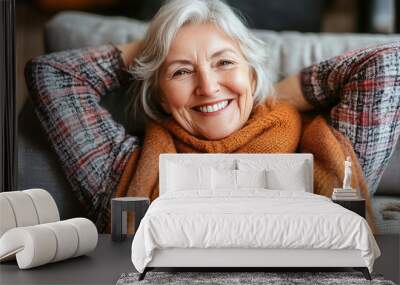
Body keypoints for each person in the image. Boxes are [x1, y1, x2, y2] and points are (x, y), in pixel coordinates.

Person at [25, 0, 400, 232]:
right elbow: (54, 76)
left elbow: (387, 64)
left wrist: (270, 93)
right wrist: (159, 40)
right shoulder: (123, 170)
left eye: (224, 63)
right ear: (159, 92)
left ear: (252, 73)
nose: (207, 86)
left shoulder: (328, 152)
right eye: (181, 71)